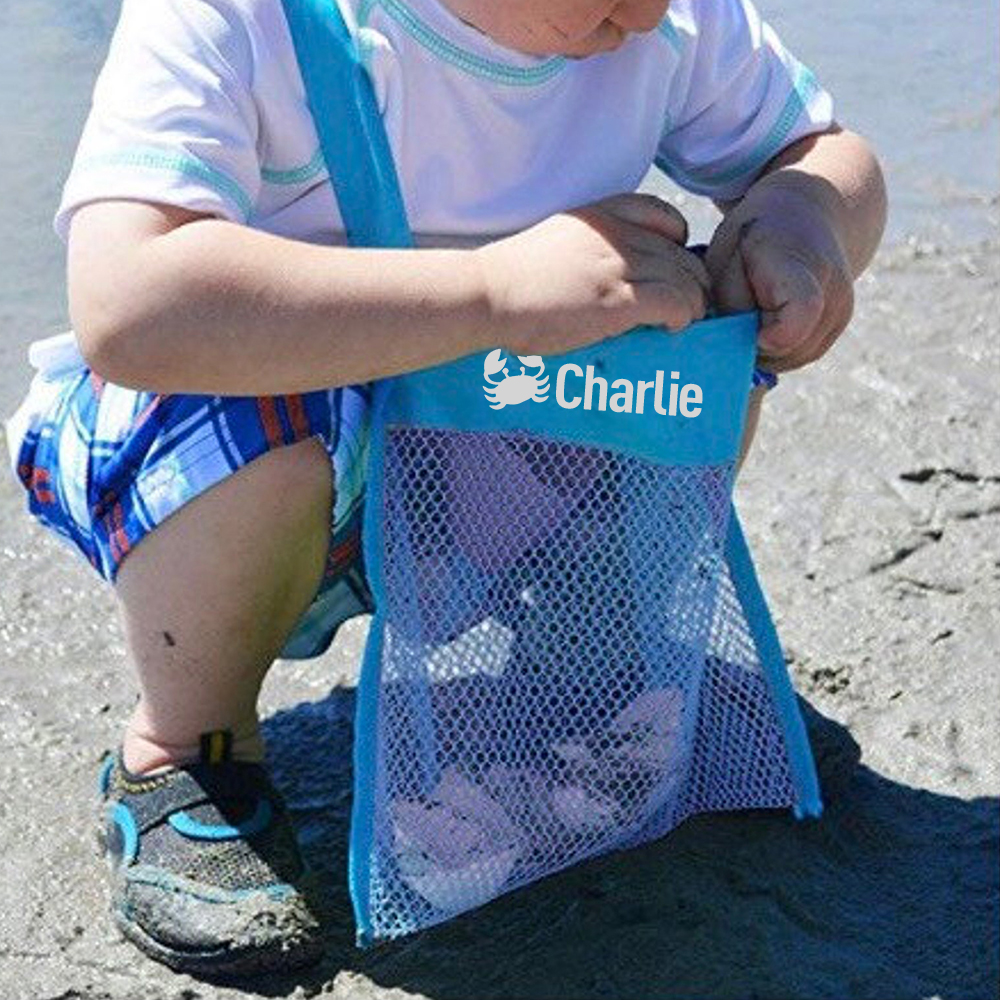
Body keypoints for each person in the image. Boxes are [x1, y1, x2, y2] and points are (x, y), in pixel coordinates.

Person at [4, 0, 886, 976]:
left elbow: (818, 146)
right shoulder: (243, 18)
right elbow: (130, 308)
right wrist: (490, 291)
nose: (647, 9)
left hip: (490, 437)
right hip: (246, 469)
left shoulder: (669, 21)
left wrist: (802, 226)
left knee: (685, 327)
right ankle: (184, 749)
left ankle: (584, 670)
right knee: (239, 410)